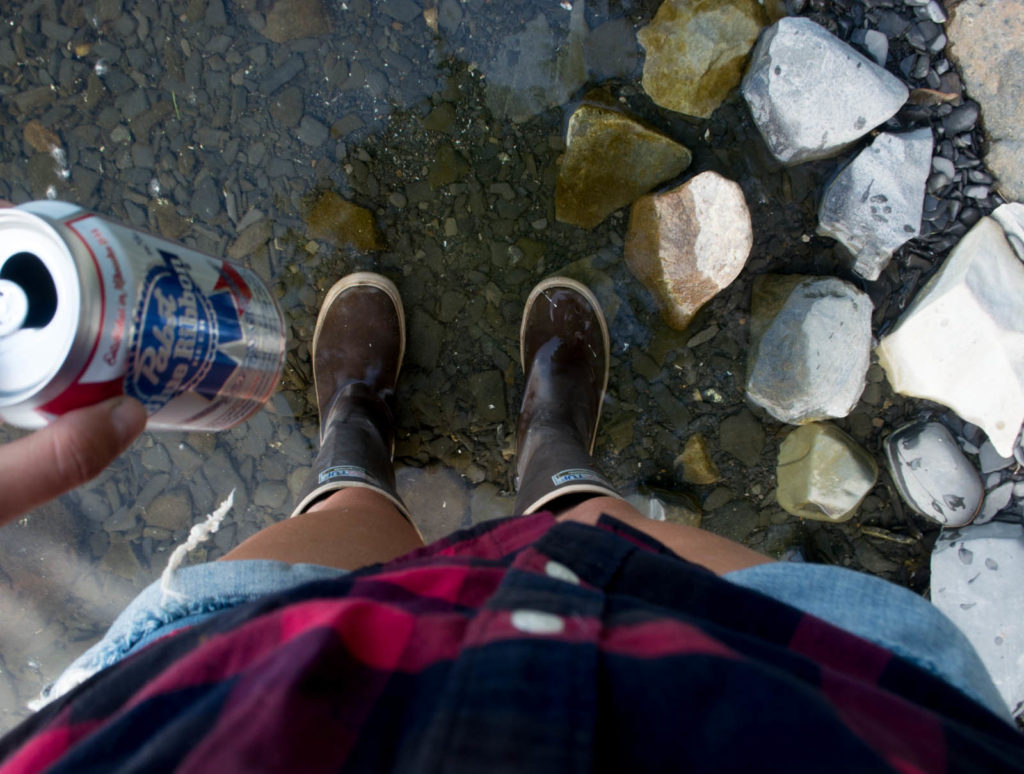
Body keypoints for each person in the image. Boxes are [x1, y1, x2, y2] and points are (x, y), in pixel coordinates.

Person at [0, 272, 1021, 772]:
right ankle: (558, 463)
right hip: (775, 723)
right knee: (624, 548)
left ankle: (357, 446)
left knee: (296, 576)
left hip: (205, 734)